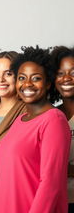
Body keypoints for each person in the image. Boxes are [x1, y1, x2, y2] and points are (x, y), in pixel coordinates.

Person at [0, 46, 71, 213]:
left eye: (35, 78)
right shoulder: (20, 120)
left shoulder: (54, 120)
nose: (27, 84)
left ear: (48, 82)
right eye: (22, 77)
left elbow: (51, 184)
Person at [51, 46, 74, 213]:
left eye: (73, 73)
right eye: (60, 73)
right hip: (55, 202)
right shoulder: (50, 114)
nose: (66, 78)